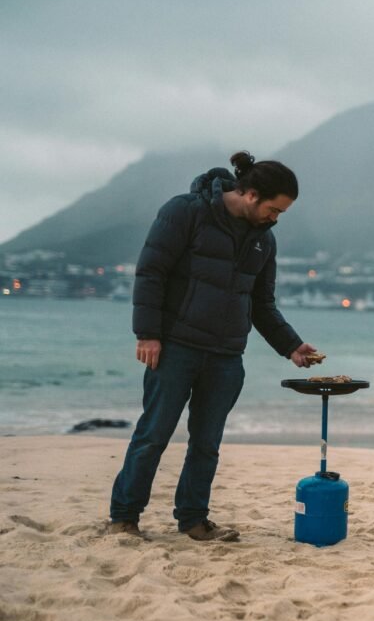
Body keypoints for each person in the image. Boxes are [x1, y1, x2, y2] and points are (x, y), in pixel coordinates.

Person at [108, 151, 319, 542]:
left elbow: (262, 304)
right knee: (153, 435)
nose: (276, 219)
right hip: (175, 347)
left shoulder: (264, 241)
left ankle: (192, 521)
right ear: (251, 194)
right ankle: (124, 517)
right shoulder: (185, 212)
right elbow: (151, 272)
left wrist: (291, 346)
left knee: (207, 445)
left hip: (226, 356)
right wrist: (147, 334)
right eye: (274, 210)